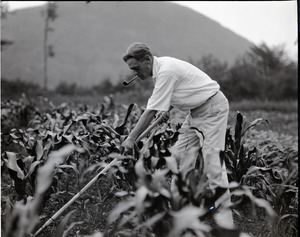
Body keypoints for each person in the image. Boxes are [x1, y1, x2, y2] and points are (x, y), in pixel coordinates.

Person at [121, 42, 234, 229]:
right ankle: (181, 216)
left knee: (214, 165)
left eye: (136, 68)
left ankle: (226, 225)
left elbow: (149, 111)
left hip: (212, 109)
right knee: (178, 159)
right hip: (195, 113)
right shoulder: (161, 70)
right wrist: (166, 108)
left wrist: (131, 138)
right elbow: (185, 90)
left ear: (147, 59)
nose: (135, 74)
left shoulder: (166, 71)